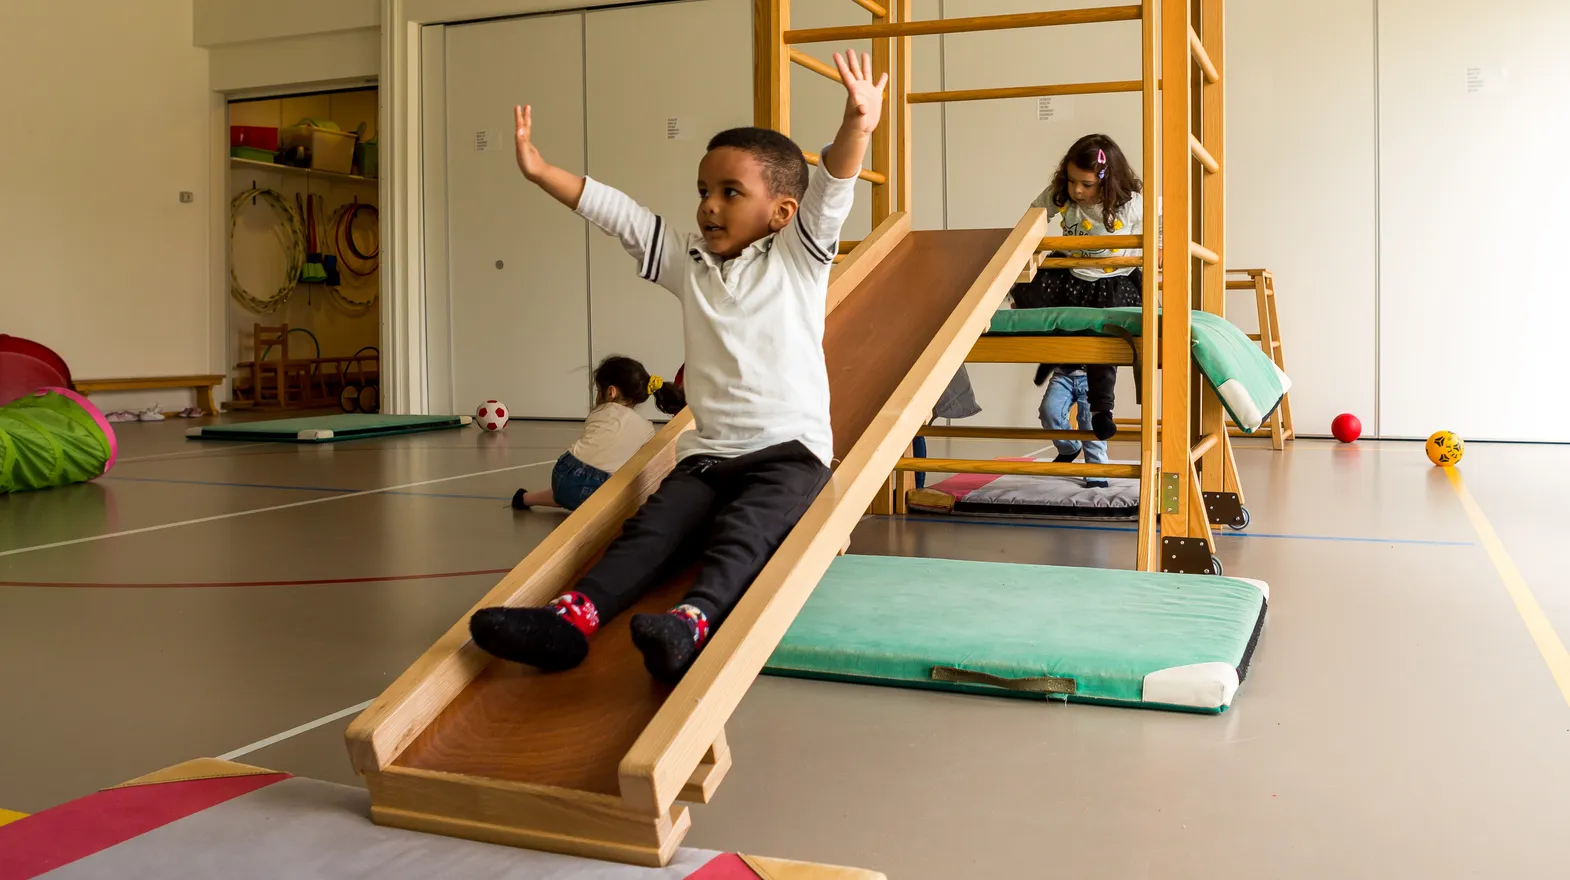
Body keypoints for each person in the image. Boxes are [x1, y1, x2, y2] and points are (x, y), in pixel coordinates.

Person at [469, 50, 886, 683]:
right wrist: (541, 171)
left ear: (779, 213)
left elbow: (832, 187)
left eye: (729, 192)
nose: (709, 206)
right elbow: (620, 215)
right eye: (703, 192)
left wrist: (858, 121)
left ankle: (691, 622)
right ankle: (570, 622)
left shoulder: (798, 258)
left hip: (790, 454)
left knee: (745, 535)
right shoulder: (687, 263)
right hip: (709, 455)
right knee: (651, 530)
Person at [1011, 133, 1146, 442]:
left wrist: (1160, 248)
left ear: (1106, 181)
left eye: (1086, 185)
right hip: (1072, 275)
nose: (1077, 190)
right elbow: (1033, 216)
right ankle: (1057, 358)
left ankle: (1102, 409)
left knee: (1102, 335)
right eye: (1072, 181)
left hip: (1112, 282)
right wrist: (1025, 243)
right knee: (1028, 291)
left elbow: (1162, 222)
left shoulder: (1129, 204)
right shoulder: (1064, 194)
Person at [512, 355, 682, 512]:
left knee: (570, 489)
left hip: (562, 474)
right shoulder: (647, 428)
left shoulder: (599, 411)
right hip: (598, 490)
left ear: (610, 392)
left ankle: (525, 499)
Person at [1035, 364, 1108, 488]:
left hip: (1092, 375)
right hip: (1062, 374)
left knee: (1090, 419)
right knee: (1049, 411)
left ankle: (1096, 470)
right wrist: (1043, 370)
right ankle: (1069, 448)